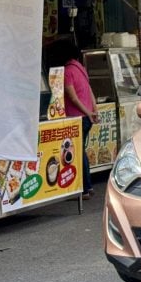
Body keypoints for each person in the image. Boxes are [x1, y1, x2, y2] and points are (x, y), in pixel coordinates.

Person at [45, 38, 98, 198]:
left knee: (78, 153)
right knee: (81, 151)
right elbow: (89, 90)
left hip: (77, 118)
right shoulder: (79, 67)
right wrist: (94, 109)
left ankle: (85, 188)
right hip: (86, 116)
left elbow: (73, 98)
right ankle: (87, 187)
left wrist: (88, 112)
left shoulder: (67, 71)